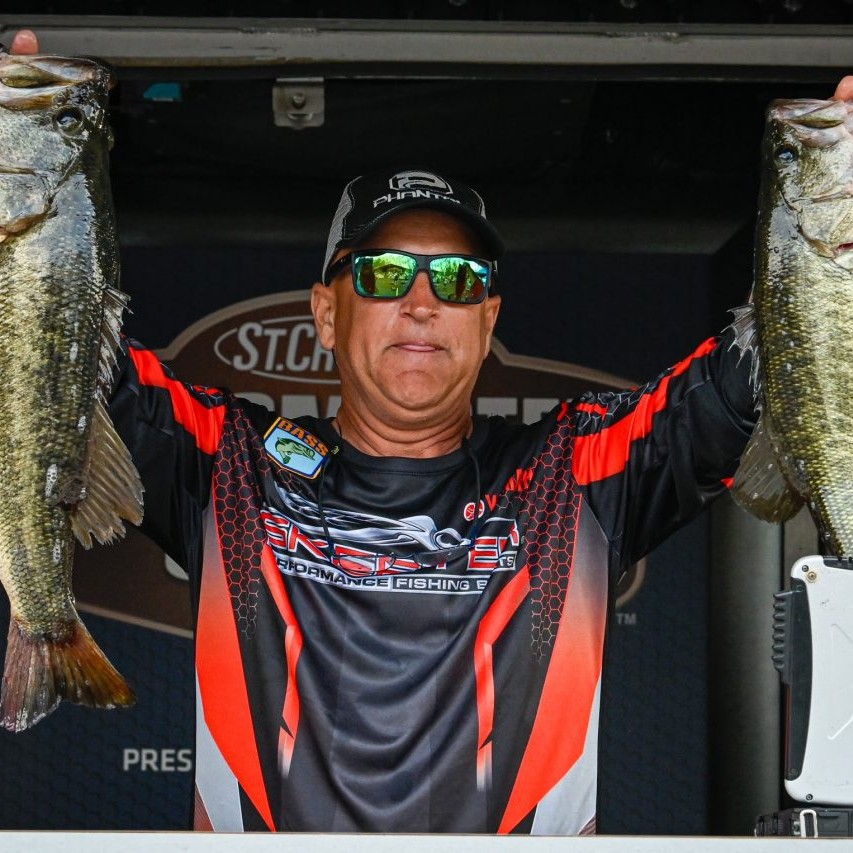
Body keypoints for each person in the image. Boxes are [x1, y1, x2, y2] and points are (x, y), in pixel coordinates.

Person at [8, 28, 853, 835]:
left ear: (487, 319)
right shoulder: (228, 463)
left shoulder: (578, 471)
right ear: (326, 313)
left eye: (456, 278)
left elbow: (782, 355)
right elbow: (47, 333)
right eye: (383, 273)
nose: (421, 301)